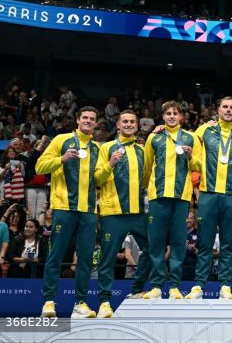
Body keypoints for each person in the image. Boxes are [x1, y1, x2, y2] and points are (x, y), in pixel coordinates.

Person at [37, 106, 101, 318]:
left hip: (89, 210)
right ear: (77, 119)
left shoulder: (97, 148)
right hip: (65, 208)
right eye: (85, 117)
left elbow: (99, 180)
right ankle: (48, 302)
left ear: (96, 123)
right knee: (55, 255)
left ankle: (80, 303)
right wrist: (61, 160)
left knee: (85, 259)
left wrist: (109, 166)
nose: (88, 121)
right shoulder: (61, 140)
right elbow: (40, 166)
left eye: (92, 119)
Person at [185, 97, 232, 300]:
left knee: (228, 242)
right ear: (218, 110)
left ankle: (225, 285)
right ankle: (199, 285)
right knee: (205, 241)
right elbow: (194, 158)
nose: (228, 110)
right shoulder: (204, 131)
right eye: (225, 107)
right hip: (208, 194)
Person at [93, 110, 151, 317]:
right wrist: (110, 164)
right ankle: (104, 302)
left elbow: (146, 180)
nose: (128, 124)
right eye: (124, 121)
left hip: (138, 212)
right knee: (108, 258)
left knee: (153, 250)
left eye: (132, 122)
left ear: (137, 125)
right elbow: (97, 179)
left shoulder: (143, 150)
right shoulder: (106, 148)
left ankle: (136, 290)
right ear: (117, 125)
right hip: (113, 213)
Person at [143, 101, 200, 300]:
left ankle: (175, 286)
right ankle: (157, 285)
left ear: (181, 116)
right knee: (157, 242)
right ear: (163, 116)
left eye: (175, 113)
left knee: (178, 242)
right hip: (158, 196)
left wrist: (191, 156)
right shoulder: (154, 137)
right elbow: (147, 166)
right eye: (168, 113)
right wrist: (149, 189)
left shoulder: (190, 138)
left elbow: (199, 165)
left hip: (182, 197)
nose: (172, 116)